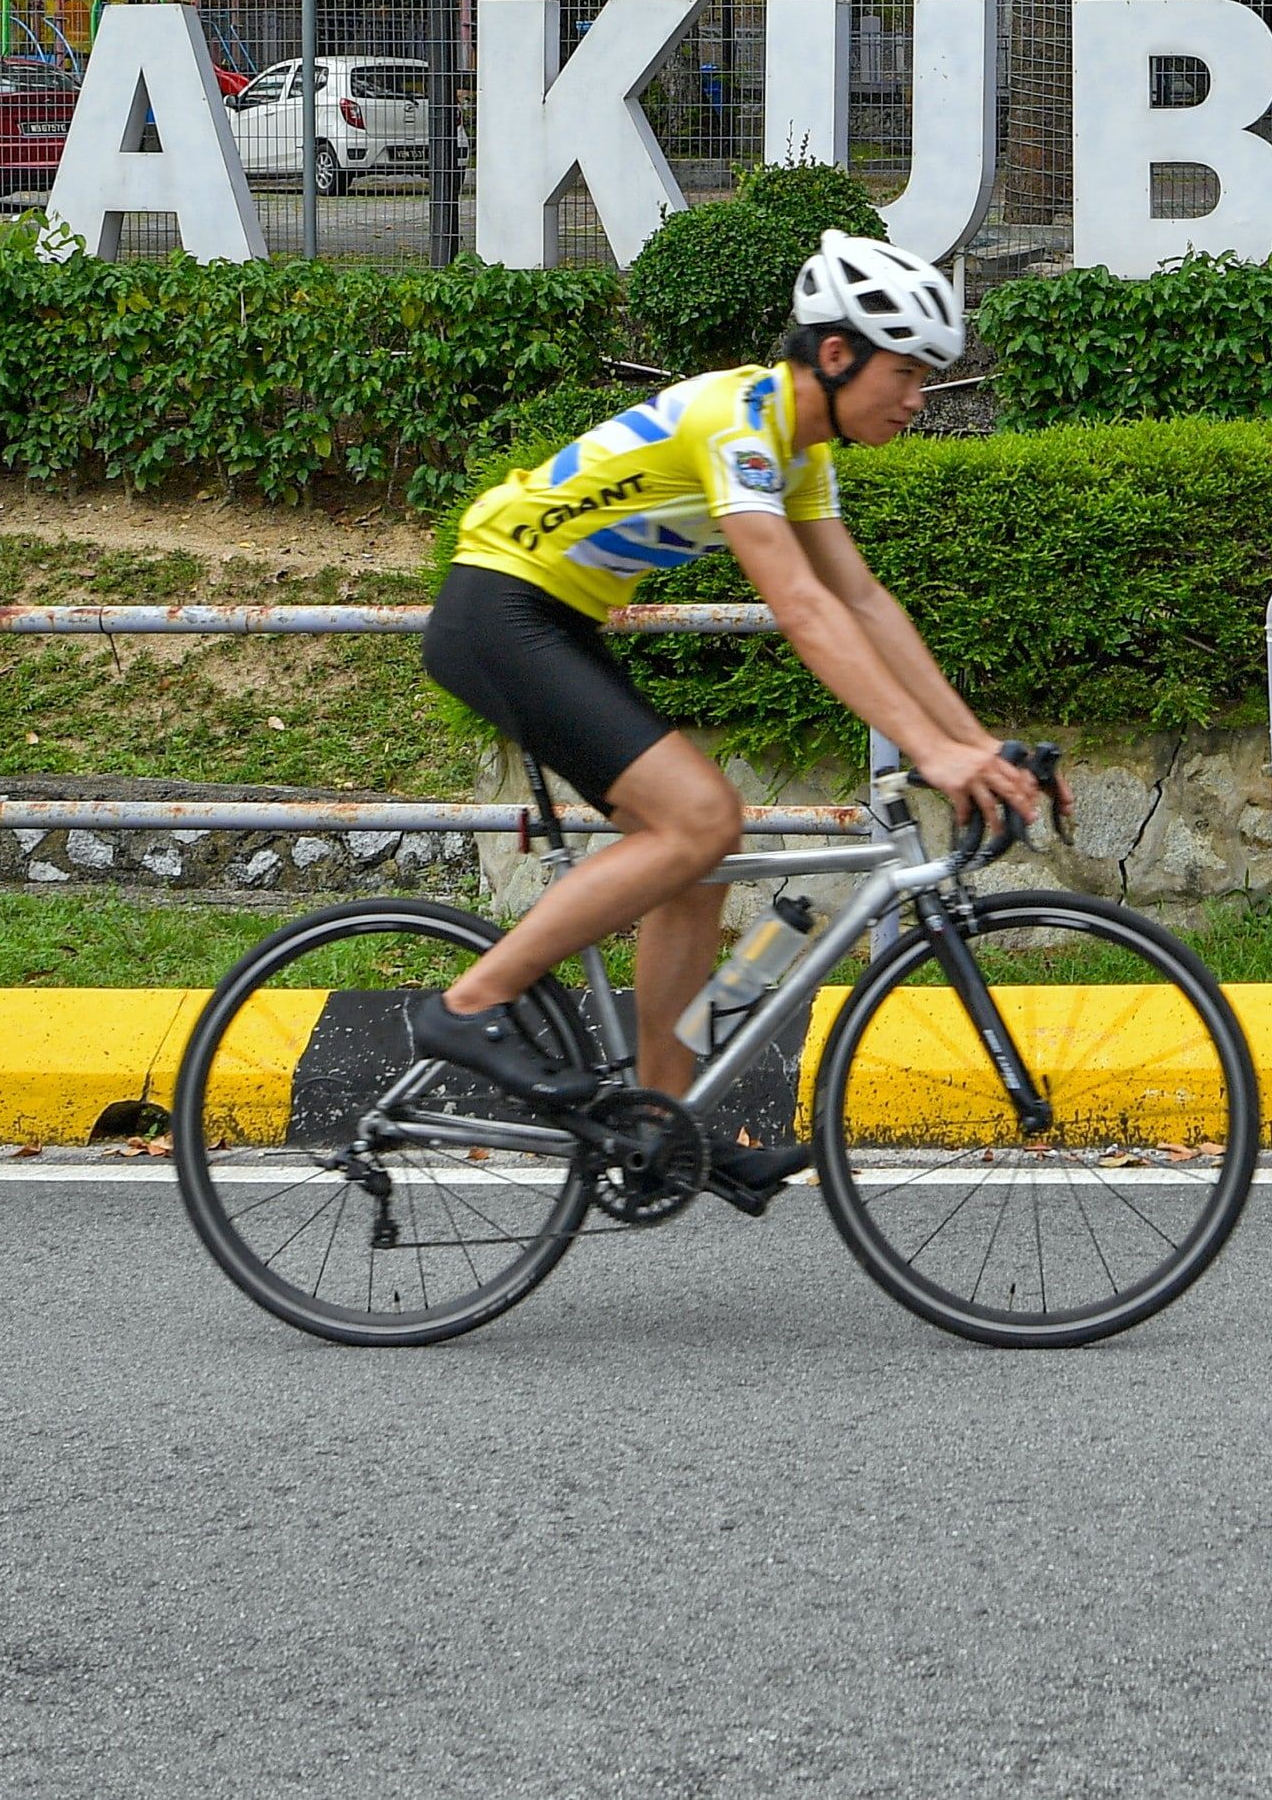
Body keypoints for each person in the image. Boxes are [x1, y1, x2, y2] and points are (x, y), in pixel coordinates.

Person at [400, 228, 1039, 1205]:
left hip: (555, 617)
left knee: (690, 868)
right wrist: (930, 752)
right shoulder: (739, 418)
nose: (919, 397)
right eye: (907, 370)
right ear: (837, 353)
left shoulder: (799, 448)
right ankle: (470, 1003)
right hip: (497, 609)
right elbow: (802, 607)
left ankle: (663, 1125)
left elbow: (865, 602)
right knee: (702, 819)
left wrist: (968, 742)